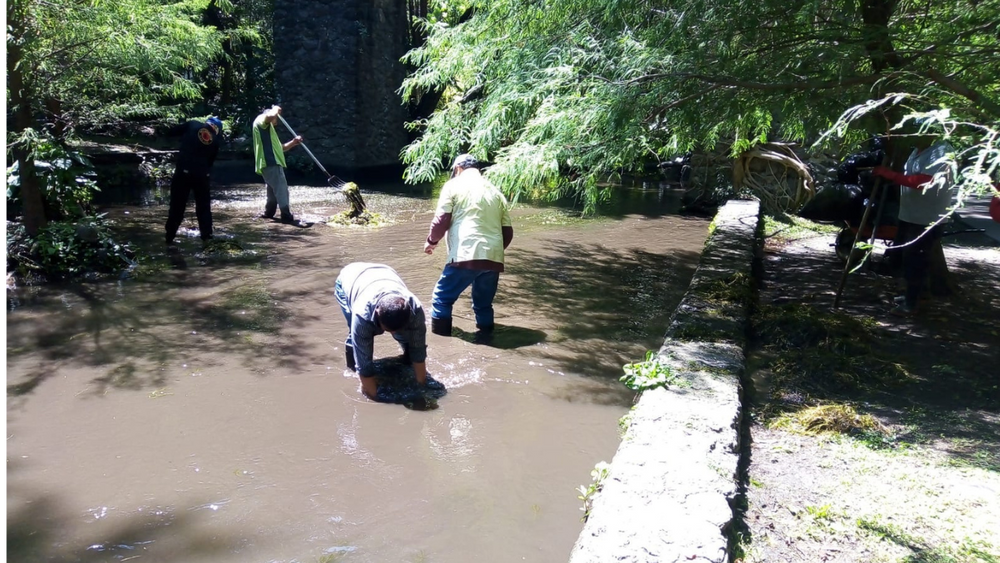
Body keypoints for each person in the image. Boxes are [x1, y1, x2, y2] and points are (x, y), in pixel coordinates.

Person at [424, 154, 513, 341]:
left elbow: (441, 221)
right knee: (483, 305)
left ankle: (441, 342)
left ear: (457, 169)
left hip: (465, 254)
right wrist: (492, 252)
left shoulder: (453, 185)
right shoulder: (496, 192)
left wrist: (432, 241)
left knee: (442, 299)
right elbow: (508, 232)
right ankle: (487, 337)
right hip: (493, 257)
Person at [872, 138, 955, 316]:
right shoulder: (916, 150)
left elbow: (923, 181)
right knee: (905, 257)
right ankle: (918, 296)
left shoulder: (940, 151)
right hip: (910, 215)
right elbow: (909, 177)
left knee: (915, 260)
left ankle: (911, 304)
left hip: (928, 219)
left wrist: (891, 175)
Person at [334, 262, 431, 400]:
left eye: (396, 330)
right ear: (377, 314)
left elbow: (419, 349)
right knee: (355, 334)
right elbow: (365, 365)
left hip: (385, 272)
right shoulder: (362, 316)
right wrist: (374, 398)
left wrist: (422, 388)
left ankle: (406, 360)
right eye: (388, 330)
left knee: (407, 338)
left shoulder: (415, 309)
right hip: (349, 279)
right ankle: (351, 368)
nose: (392, 334)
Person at [164, 116, 223, 247]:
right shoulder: (216, 140)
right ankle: (207, 237)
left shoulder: (193, 124)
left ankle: (169, 237)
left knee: (177, 206)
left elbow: (172, 131)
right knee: (204, 207)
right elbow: (210, 163)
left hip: (183, 172)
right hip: (202, 175)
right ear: (217, 129)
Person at [252, 105, 303, 224]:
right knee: (281, 189)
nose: (277, 120)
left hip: (268, 163)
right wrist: (276, 109)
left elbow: (281, 148)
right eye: (277, 118)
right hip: (271, 162)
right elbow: (270, 115)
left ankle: (269, 213)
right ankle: (286, 215)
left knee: (272, 191)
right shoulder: (262, 119)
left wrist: (294, 142)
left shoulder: (268, 129)